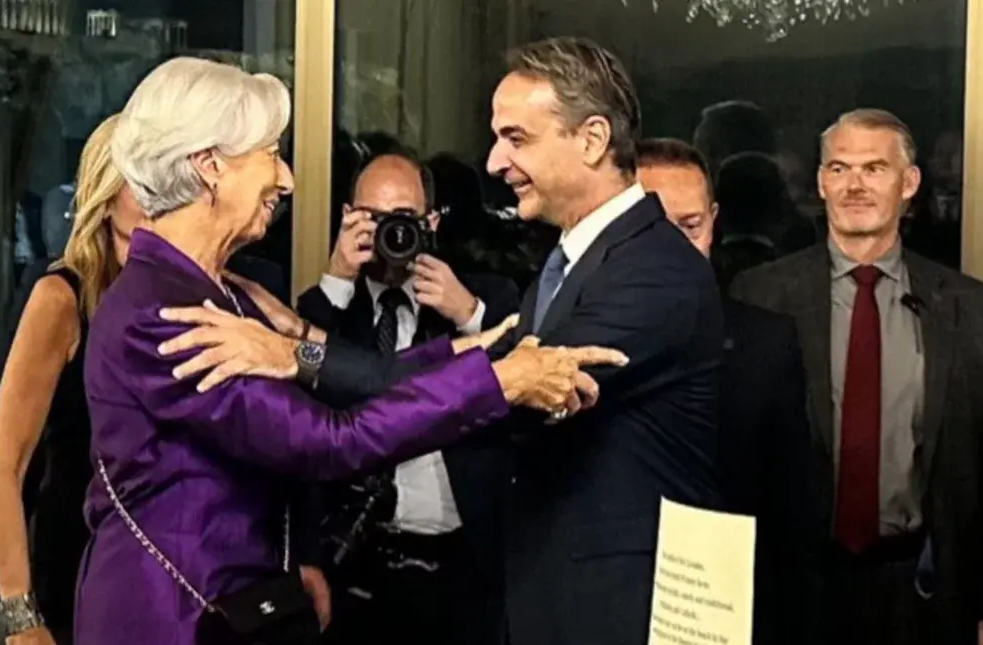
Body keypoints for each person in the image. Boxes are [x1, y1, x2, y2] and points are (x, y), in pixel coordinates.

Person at [72, 57, 626, 645]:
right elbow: (328, 439)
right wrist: (499, 383)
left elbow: (341, 384)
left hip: (229, 610)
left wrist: (466, 355)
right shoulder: (162, 313)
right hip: (168, 619)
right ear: (209, 167)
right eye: (271, 154)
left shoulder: (217, 291)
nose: (286, 179)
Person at [731, 108, 983, 645]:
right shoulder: (760, 295)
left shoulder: (970, 310)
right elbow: (732, 454)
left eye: (874, 169)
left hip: (923, 590)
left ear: (909, 183)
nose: (855, 185)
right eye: (839, 168)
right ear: (821, 182)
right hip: (792, 593)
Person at [476, 38, 722, 645]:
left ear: (591, 139)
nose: (495, 162)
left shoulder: (655, 271)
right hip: (554, 599)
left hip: (616, 615)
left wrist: (311, 361)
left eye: (516, 138)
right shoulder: (574, 260)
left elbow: (505, 398)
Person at [295, 145, 520, 645]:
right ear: (348, 218)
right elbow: (298, 394)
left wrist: (470, 315)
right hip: (356, 563)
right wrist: (337, 279)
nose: (391, 234)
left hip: (464, 567)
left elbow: (522, 381)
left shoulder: (487, 297)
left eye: (404, 219)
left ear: (431, 223)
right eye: (374, 218)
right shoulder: (328, 310)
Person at [637, 137, 823, 645]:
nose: (675, 249)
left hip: (726, 610)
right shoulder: (569, 335)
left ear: (714, 221)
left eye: (690, 226)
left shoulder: (766, 343)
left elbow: (793, 518)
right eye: (654, 229)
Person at [0, 115, 142, 645]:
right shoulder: (60, 295)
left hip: (168, 578)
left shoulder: (189, 294)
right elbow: (1, 461)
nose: (157, 199)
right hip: (74, 566)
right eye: (140, 181)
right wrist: (19, 614)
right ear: (105, 194)